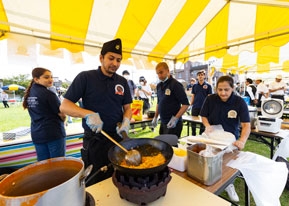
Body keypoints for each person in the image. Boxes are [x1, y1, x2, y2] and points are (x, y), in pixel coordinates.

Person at [59, 38, 132, 186]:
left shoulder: (122, 82)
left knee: (119, 178)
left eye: (118, 60)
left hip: (117, 139)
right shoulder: (86, 77)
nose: (115, 64)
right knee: (96, 181)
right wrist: (87, 114)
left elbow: (128, 108)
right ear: (101, 58)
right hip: (95, 141)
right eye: (111, 58)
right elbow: (65, 106)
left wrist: (126, 121)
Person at [200, 75, 251, 203]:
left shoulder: (239, 102)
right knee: (207, 161)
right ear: (216, 89)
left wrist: (242, 140)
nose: (223, 93)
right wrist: (207, 126)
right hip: (211, 137)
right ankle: (206, 183)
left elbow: (246, 125)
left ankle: (228, 184)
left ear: (233, 88)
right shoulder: (210, 99)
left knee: (226, 165)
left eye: (226, 90)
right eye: (220, 89)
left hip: (230, 139)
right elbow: (203, 116)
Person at [22, 67, 66, 161]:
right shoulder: (48, 94)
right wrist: (64, 120)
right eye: (46, 77)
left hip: (37, 133)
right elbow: (61, 113)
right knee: (58, 164)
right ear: (36, 79)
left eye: (51, 77)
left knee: (43, 166)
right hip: (53, 133)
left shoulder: (29, 93)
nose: (50, 79)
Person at [151, 62, 189, 137]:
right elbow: (159, 103)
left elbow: (185, 104)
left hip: (173, 123)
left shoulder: (175, 85)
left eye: (161, 72)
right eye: (157, 73)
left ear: (168, 71)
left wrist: (176, 118)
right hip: (163, 122)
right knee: (163, 146)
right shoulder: (159, 86)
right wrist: (155, 117)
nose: (159, 76)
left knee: (172, 147)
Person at [190, 70, 212, 136]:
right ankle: (193, 133)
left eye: (202, 75)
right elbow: (193, 95)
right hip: (195, 106)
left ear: (204, 76)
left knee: (203, 121)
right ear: (197, 77)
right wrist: (191, 104)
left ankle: (201, 134)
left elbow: (209, 96)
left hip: (204, 107)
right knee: (193, 121)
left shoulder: (208, 86)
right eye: (199, 75)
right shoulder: (194, 86)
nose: (200, 76)